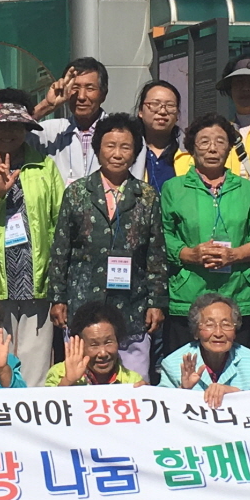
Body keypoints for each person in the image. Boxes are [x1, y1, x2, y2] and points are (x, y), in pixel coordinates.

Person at [47, 112, 168, 380]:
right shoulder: (77, 192)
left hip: (132, 304)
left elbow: (156, 254)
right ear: (98, 148)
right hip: (84, 298)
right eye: (110, 146)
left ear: (135, 152)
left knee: (134, 381)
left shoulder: (147, 196)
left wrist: (156, 301)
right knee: (82, 376)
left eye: (125, 147)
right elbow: (61, 250)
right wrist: (58, 297)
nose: (117, 154)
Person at [0, 90, 65, 387]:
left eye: (14, 126)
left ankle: (28, 414)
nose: (7, 132)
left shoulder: (45, 167)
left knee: (35, 365)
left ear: (25, 128)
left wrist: (58, 278)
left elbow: (60, 223)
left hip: (37, 280)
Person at [161, 113, 250, 355]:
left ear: (230, 148)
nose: (212, 148)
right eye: (204, 142)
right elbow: (162, 235)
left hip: (240, 293)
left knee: (243, 369)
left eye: (220, 141)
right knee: (187, 369)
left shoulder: (247, 189)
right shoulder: (173, 188)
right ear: (191, 148)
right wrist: (189, 254)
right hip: (189, 294)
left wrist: (235, 255)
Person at [159, 292, 250, 404]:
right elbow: (161, 406)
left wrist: (235, 393)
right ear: (196, 332)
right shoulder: (173, 364)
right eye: (209, 325)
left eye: (226, 325)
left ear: (235, 331)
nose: (218, 333)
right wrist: (183, 390)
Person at [34, 57, 109, 185]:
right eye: (75, 88)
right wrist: (47, 105)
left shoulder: (121, 133)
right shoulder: (50, 131)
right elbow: (9, 134)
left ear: (103, 94)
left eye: (90, 88)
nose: (81, 97)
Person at [46, 302, 145, 386]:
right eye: (94, 345)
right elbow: (48, 401)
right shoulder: (59, 373)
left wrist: (146, 393)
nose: (103, 353)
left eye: (108, 342)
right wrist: (68, 381)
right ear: (79, 345)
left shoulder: (132, 381)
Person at [130, 79, 192, 192]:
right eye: (155, 104)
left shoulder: (190, 152)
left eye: (170, 105)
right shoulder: (128, 150)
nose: (162, 111)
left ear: (177, 114)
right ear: (140, 111)